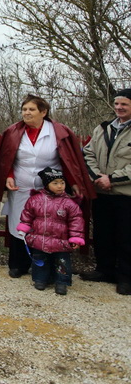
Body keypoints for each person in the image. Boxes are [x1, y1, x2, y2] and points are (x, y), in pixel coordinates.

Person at [0, 94, 95, 279]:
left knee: (49, 227)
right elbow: (6, 158)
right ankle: (19, 265)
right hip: (21, 187)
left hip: (50, 191)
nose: (27, 113)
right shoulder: (13, 132)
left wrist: (74, 183)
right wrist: (9, 176)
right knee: (19, 224)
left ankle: (47, 269)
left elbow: (68, 159)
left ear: (43, 112)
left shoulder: (59, 132)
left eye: (31, 109)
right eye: (24, 109)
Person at [82, 88, 131, 295]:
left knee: (126, 237)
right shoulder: (103, 128)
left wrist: (111, 179)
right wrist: (97, 177)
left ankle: (126, 277)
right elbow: (88, 153)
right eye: (117, 104)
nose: (119, 107)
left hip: (125, 194)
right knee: (103, 234)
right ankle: (104, 270)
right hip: (101, 193)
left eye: (124, 104)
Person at [16, 167, 85, 295]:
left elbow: (76, 220)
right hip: (40, 238)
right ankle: (40, 279)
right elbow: (27, 214)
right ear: (47, 185)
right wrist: (24, 227)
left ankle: (62, 282)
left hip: (61, 240)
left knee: (62, 262)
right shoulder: (35, 200)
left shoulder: (69, 203)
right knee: (40, 260)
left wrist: (75, 237)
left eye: (62, 183)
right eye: (55, 183)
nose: (60, 186)